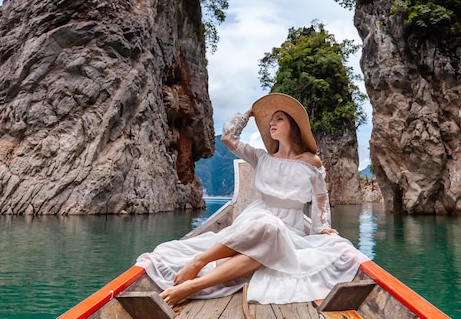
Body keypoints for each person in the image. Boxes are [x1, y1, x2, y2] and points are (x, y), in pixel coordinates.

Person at [136, 93, 368, 307]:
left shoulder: (311, 161)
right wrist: (248, 112)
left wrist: (322, 227)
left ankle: (193, 285)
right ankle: (198, 261)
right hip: (258, 218)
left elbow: (320, 198)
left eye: (279, 119)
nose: (272, 124)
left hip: (291, 228)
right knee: (268, 227)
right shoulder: (261, 158)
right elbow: (228, 137)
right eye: (270, 121)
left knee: (281, 239)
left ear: (293, 126)